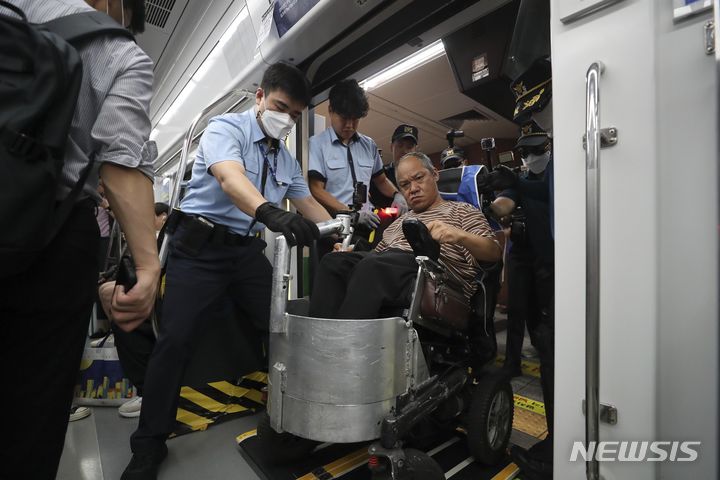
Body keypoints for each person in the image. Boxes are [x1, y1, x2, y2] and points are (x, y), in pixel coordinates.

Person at [121, 62, 331, 480]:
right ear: (259, 97)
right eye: (279, 107)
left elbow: (311, 207)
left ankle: (293, 418)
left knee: (284, 328)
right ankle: (148, 446)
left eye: (293, 114)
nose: (285, 119)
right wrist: (270, 211)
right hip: (199, 249)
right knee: (175, 341)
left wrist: (342, 232)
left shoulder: (286, 161)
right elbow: (229, 178)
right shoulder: (226, 129)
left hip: (245, 254)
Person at [0, 1, 159, 479]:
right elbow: (121, 164)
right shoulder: (120, 53)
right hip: (46, 245)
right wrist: (148, 268)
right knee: (30, 420)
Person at [309, 152, 501, 320]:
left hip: (435, 277)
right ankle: (316, 345)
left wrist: (459, 235)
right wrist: (351, 253)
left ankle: (344, 348)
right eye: (405, 185)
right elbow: (376, 256)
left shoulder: (461, 210)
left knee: (374, 266)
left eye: (419, 178)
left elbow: (494, 252)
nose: (413, 188)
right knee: (334, 262)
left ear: (434, 175)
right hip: (388, 265)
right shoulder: (400, 221)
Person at [481, 56, 554, 480]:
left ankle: (557, 438)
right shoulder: (522, 175)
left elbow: (543, 190)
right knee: (530, 328)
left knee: (549, 343)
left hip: (555, 262)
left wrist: (519, 184)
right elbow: (505, 205)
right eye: (524, 154)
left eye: (535, 151)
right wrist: (495, 196)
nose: (531, 158)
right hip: (528, 259)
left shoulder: (555, 165)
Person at [308, 80, 407, 242]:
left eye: (355, 119)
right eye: (344, 118)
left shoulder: (369, 145)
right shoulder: (317, 144)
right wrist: (349, 212)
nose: (349, 125)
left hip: (369, 226)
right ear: (331, 110)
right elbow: (316, 190)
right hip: (336, 227)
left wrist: (397, 194)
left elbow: (381, 181)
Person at [369, 124, 419, 207]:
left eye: (409, 147)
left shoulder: (422, 177)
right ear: (391, 147)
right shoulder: (380, 177)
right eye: (400, 146)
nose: (405, 151)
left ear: (415, 149)